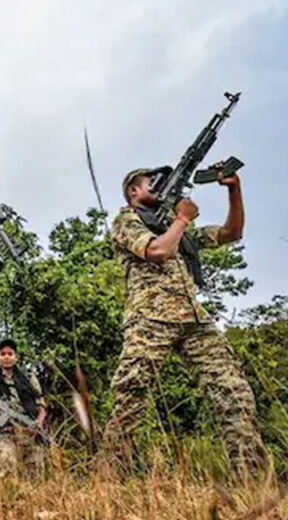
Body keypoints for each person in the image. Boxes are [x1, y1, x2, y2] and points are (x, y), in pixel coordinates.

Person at [103, 166, 266, 477]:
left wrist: (234, 190)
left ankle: (251, 480)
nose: (163, 184)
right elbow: (158, 250)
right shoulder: (127, 220)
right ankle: (112, 477)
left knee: (234, 391)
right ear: (134, 192)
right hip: (149, 320)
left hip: (194, 321)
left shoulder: (176, 228)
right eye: (153, 182)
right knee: (132, 395)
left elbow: (232, 233)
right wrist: (182, 218)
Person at [0, 339, 47, 480]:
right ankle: (9, 500)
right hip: (5, 432)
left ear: (16, 357)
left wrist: (38, 423)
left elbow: (42, 405)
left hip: (30, 431)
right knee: (7, 468)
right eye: (3, 354)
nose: (6, 357)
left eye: (10, 354)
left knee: (35, 476)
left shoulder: (28, 378)